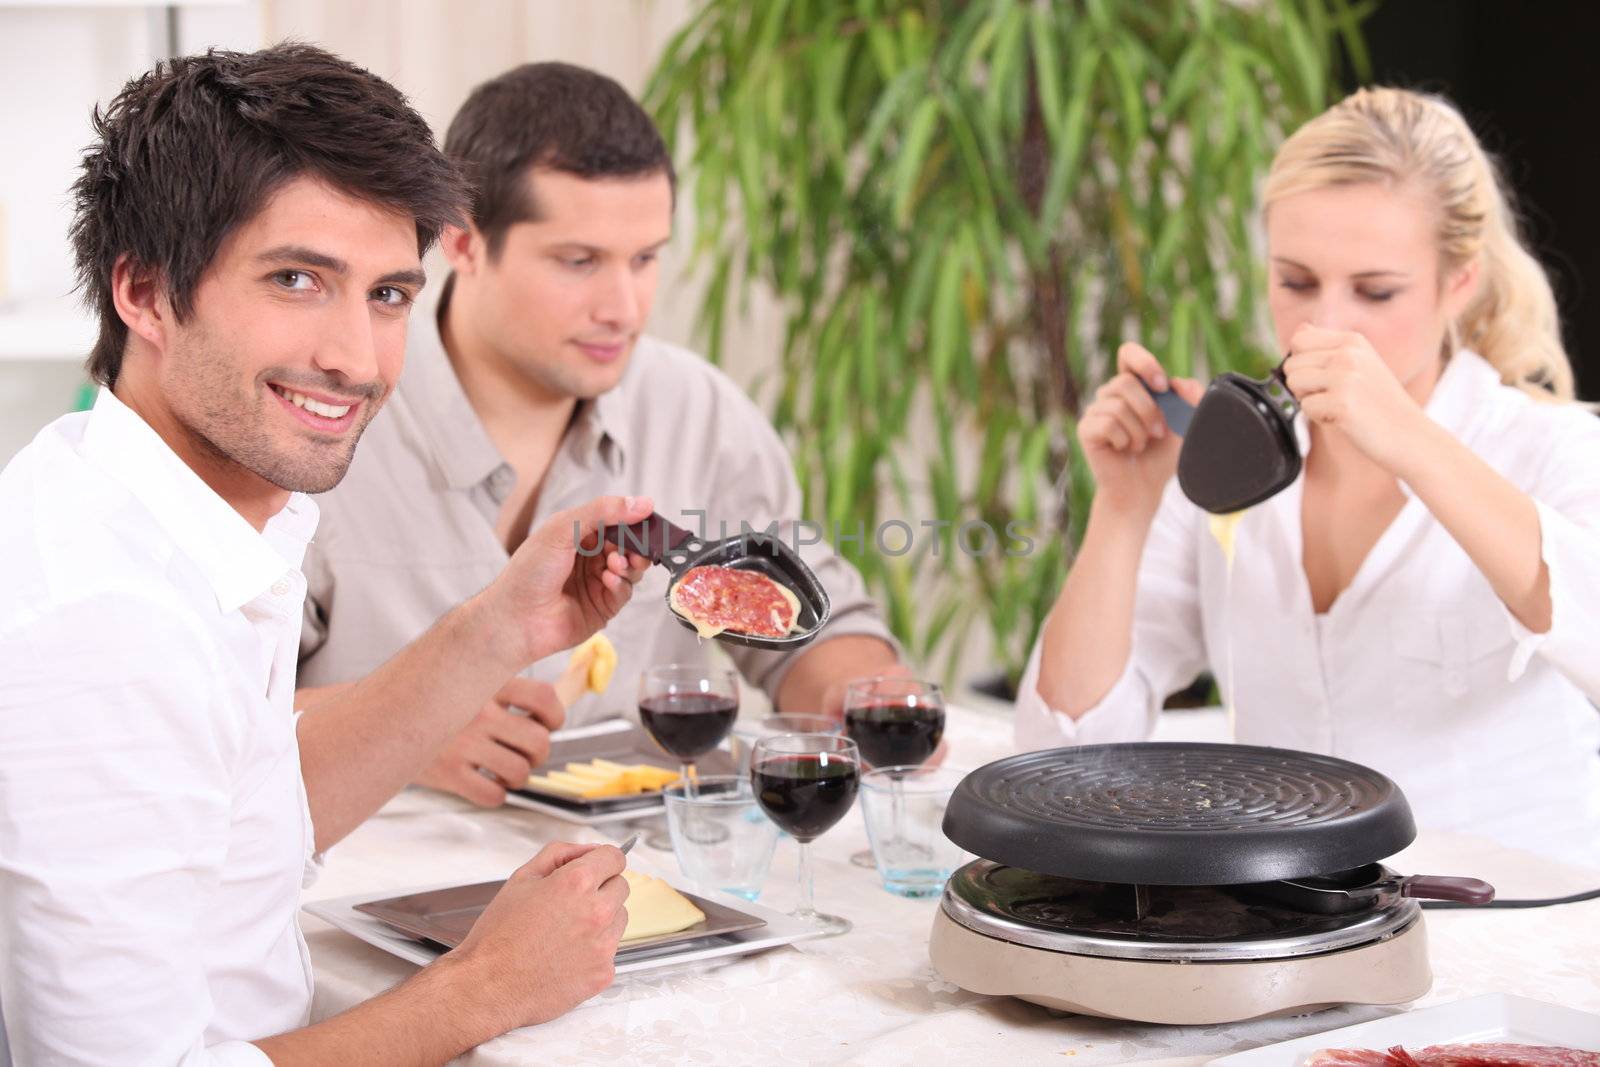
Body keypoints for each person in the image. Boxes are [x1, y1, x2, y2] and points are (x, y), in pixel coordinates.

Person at [0, 45, 654, 1065]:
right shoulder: (103, 618)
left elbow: (249, 821)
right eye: (298, 279)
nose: (356, 358)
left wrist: (498, 627)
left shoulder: (160, 501)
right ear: (144, 291)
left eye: (388, 295)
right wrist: (482, 988)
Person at [1016, 87, 1600, 868]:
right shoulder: (1232, 465)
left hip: (1515, 932)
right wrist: (1123, 509)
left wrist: (1410, 441)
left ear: (1458, 281)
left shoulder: (1547, 446)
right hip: (1296, 928)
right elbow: (1062, 746)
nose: (1325, 325)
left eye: (1376, 290)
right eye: (1295, 282)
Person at [293, 62, 904, 807]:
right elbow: (209, 715)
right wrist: (402, 727)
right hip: (370, 889)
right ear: (461, 241)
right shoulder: (322, 420)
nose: (624, 307)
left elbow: (810, 622)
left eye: (645, 259)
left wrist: (857, 688)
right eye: (578, 262)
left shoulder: (700, 414)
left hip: (641, 878)